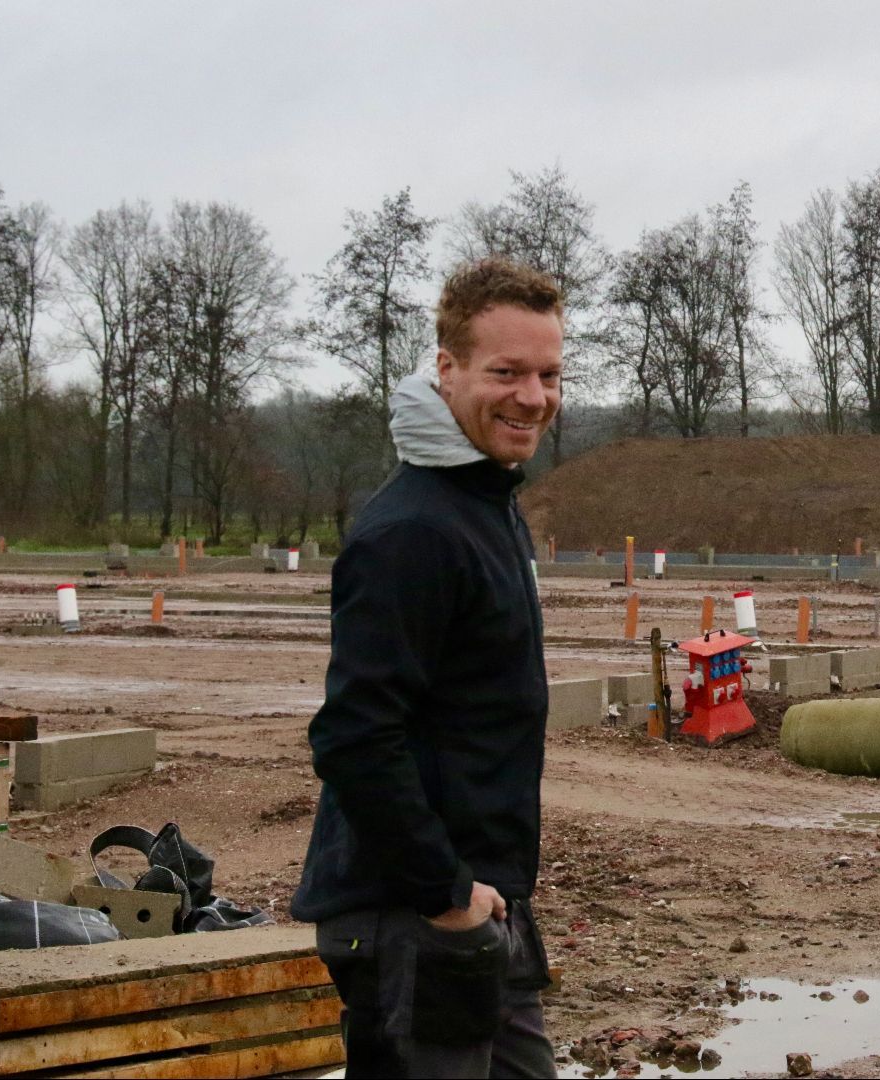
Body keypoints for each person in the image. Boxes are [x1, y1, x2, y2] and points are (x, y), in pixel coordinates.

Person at [292, 257, 565, 1079]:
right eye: (506, 372)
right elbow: (354, 737)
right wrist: (446, 893)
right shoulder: (413, 530)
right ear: (445, 370)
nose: (533, 396)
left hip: (479, 908)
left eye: (549, 375)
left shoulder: (486, 505)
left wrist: (482, 900)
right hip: (414, 913)